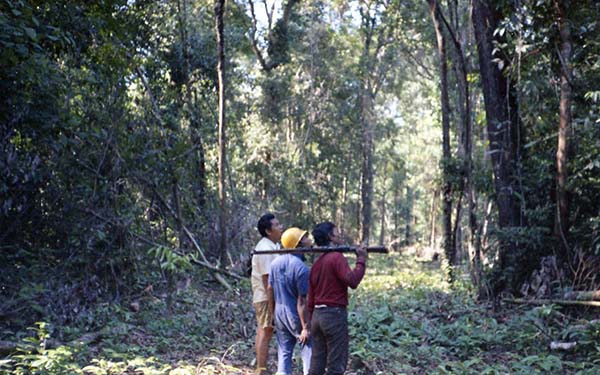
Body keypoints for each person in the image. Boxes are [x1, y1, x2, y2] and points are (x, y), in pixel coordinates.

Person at [307, 222, 367, 375]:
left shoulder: (316, 264)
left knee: (317, 361)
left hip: (317, 318)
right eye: (337, 232)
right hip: (333, 315)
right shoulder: (336, 258)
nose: (340, 235)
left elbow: (311, 299)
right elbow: (352, 281)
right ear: (330, 237)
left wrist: (308, 324)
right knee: (336, 363)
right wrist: (361, 259)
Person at [268, 227, 313, 375]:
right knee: (307, 351)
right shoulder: (301, 268)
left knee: (284, 353)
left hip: (279, 314)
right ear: (298, 244)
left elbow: (270, 289)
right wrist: (305, 327)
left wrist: (272, 315)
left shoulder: (275, 263)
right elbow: (302, 301)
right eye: (305, 238)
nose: (309, 240)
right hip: (295, 315)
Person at [252, 213, 283, 375]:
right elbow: (267, 280)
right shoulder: (264, 248)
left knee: (263, 330)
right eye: (277, 225)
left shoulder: (272, 246)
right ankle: (261, 370)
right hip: (265, 297)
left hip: (265, 296)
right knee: (266, 331)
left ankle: (261, 367)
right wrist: (272, 304)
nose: (280, 228)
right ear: (268, 231)